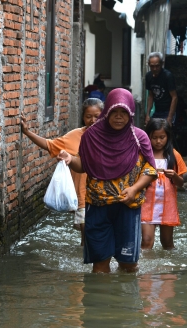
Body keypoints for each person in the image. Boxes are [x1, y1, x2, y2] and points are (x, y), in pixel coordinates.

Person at [58, 88, 157, 273]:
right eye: (114, 112)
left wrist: (135, 189)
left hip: (128, 207)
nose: (119, 117)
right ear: (107, 112)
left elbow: (150, 170)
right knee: (99, 264)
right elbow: (84, 165)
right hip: (97, 206)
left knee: (128, 265)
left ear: (131, 114)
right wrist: (70, 160)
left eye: (123, 113)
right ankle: (101, 300)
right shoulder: (91, 136)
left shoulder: (139, 138)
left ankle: (123, 301)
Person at [20, 98, 104, 246]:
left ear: (103, 116)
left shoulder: (109, 137)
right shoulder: (74, 136)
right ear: (82, 117)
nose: (93, 120)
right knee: (87, 241)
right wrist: (27, 132)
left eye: (97, 116)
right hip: (83, 197)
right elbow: (49, 145)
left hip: (105, 195)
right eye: (88, 116)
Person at [141, 118, 187, 250]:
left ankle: (168, 268)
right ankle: (145, 269)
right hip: (147, 203)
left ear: (168, 137)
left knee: (167, 243)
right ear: (148, 136)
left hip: (167, 205)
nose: (158, 141)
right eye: (154, 137)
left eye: (162, 137)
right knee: (146, 242)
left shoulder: (173, 155)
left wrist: (174, 176)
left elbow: (181, 183)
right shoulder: (143, 155)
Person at [145, 52, 178, 126]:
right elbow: (150, 96)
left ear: (162, 64)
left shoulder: (168, 76)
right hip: (157, 111)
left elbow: (174, 97)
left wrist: (169, 117)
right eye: (152, 66)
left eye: (157, 66)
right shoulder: (148, 76)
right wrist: (147, 114)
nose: (155, 68)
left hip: (167, 111)